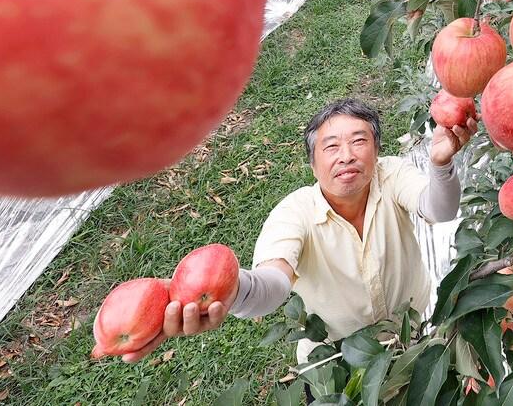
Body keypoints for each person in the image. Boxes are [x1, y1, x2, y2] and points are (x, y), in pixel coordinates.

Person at [122, 97, 476, 362]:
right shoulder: (294, 214)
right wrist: (230, 288)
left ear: (377, 151)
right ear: (313, 163)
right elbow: (272, 284)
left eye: (359, 141)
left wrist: (441, 164)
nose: (346, 155)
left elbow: (439, 210)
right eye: (331, 146)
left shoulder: (393, 174)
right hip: (334, 363)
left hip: (414, 335)